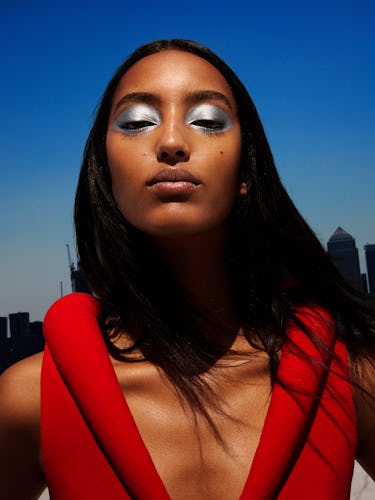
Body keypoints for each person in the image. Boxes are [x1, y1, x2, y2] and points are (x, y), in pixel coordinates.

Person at [0, 39, 374, 500]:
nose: (172, 142)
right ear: (105, 172)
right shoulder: (28, 399)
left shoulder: (348, 378)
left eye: (208, 121)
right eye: (137, 123)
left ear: (245, 175)